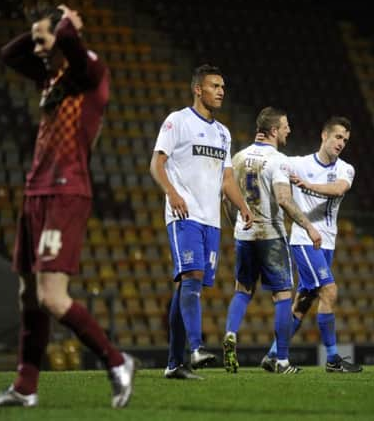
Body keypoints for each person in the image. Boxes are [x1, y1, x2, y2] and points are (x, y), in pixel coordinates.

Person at [0, 5, 135, 408]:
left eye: (44, 39)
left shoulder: (88, 71)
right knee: (29, 295)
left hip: (67, 191)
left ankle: (117, 361)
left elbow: (71, 47)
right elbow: (8, 55)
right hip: (35, 193)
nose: (38, 48)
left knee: (51, 297)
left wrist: (65, 24)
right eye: (37, 41)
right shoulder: (51, 78)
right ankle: (25, 388)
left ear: (63, 33)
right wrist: (39, 34)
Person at [150, 64, 253, 380]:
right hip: (184, 214)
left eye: (223, 86)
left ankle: (173, 364)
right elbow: (156, 164)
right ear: (198, 89)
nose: (221, 91)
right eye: (214, 85)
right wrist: (171, 193)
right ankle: (195, 349)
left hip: (211, 222)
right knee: (192, 275)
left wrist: (245, 207)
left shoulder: (223, 133)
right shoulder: (177, 121)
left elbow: (227, 180)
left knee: (187, 285)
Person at [222, 107, 322, 375]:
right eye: (286, 126)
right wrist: (309, 226)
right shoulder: (279, 160)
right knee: (282, 296)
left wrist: (237, 227)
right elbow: (284, 200)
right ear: (274, 131)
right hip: (271, 235)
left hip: (244, 234)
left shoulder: (239, 157)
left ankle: (231, 333)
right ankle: (282, 361)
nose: (289, 130)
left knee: (242, 290)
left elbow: (226, 198)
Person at [260, 116, 362, 374]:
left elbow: (338, 190)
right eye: (338, 137)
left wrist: (308, 186)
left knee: (303, 303)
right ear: (324, 136)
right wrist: (260, 147)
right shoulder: (298, 163)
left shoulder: (345, 169)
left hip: (327, 243)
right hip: (305, 240)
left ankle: (272, 355)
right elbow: (271, 162)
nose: (341, 143)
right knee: (330, 291)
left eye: (345, 140)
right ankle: (332, 359)